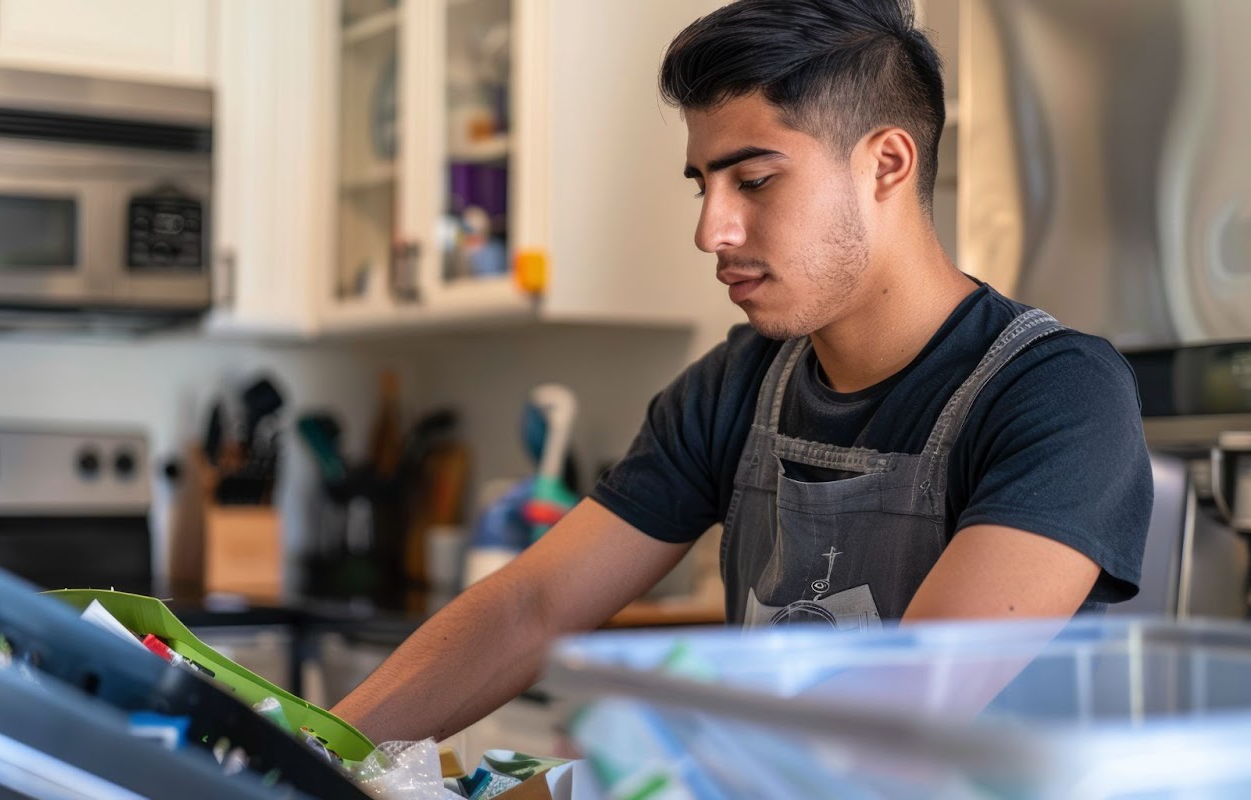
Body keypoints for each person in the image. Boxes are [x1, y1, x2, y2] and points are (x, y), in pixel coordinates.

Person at [332, 0, 1152, 743]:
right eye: (704, 185)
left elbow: (907, 705)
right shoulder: (737, 384)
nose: (712, 230)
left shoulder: (1059, 394)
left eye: (755, 180)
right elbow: (530, 608)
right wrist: (303, 750)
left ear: (887, 165)